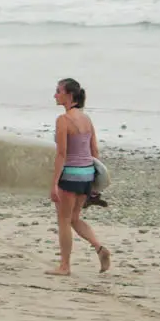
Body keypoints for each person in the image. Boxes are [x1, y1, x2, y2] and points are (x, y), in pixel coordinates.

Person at [47, 78, 112, 276]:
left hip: (71, 175)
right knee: (74, 218)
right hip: (87, 174)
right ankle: (99, 247)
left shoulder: (63, 120)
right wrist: (95, 181)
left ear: (69, 95)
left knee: (64, 220)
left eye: (58, 91)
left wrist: (54, 183)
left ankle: (64, 266)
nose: (55, 95)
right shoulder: (86, 119)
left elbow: (62, 154)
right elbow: (94, 150)